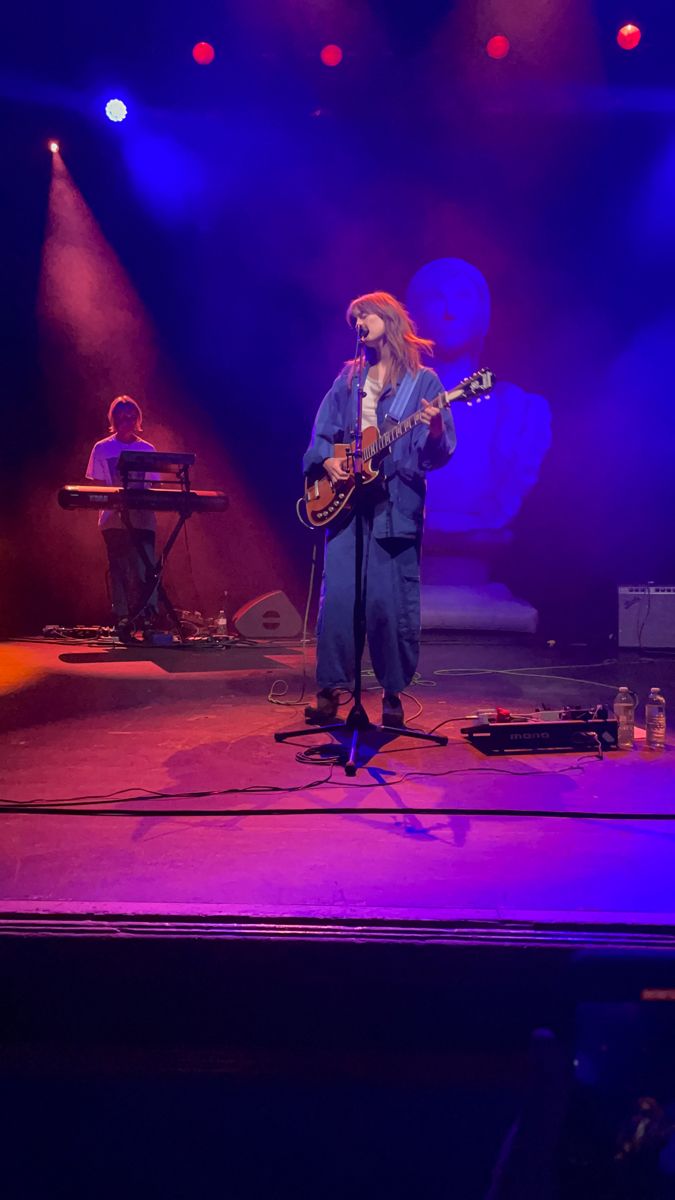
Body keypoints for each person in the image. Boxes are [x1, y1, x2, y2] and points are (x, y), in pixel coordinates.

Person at [302, 291, 455, 728]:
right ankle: (332, 689)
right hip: (347, 505)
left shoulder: (423, 382)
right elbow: (323, 434)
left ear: (386, 318)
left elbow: (439, 453)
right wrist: (327, 459)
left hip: (395, 507)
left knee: (389, 603)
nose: (359, 322)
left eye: (365, 314)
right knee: (341, 602)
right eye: (354, 317)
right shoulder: (349, 379)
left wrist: (436, 425)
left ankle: (391, 693)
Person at [86, 395, 158, 643]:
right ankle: (123, 618)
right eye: (121, 416)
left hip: (142, 519)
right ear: (113, 419)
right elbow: (96, 487)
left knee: (146, 568)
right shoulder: (102, 448)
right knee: (119, 568)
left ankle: (147, 618)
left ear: (137, 419)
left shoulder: (147, 449)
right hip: (113, 520)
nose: (126, 420)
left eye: (130, 416)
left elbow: (153, 488)